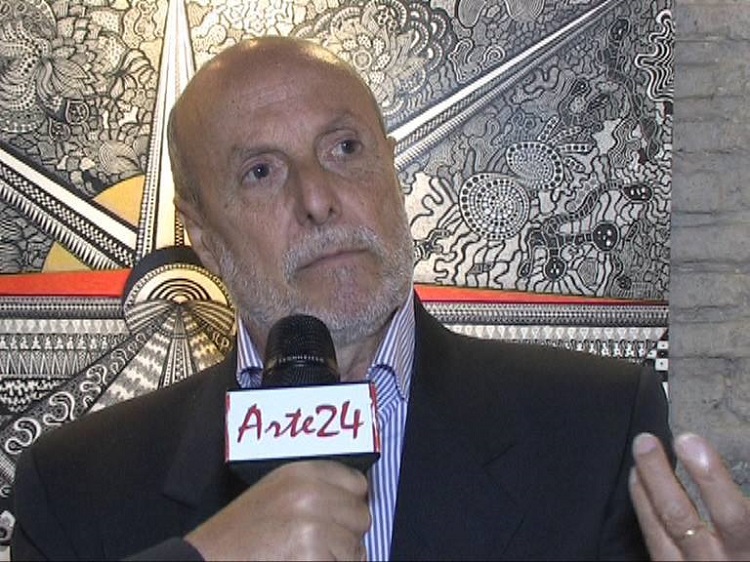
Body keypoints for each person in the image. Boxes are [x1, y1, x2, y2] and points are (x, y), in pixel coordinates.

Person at [10, 36, 749, 561]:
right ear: (202, 236)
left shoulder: (595, 425)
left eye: (345, 149)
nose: (318, 199)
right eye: (262, 171)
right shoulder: (77, 485)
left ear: (391, 172)